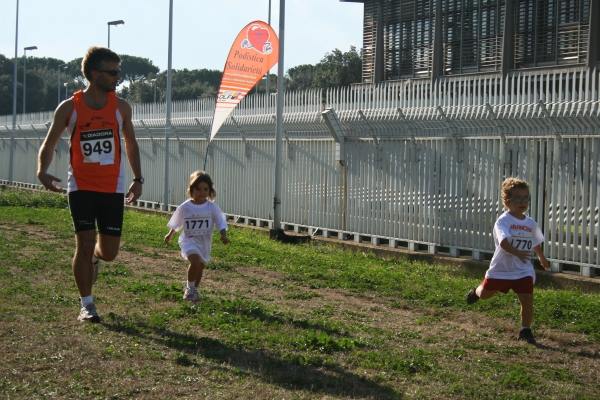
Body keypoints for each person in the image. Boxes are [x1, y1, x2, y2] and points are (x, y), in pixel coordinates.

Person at [37, 46, 143, 323]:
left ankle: (96, 258)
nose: (117, 77)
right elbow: (49, 144)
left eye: (118, 71)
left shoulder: (121, 107)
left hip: (112, 188)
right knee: (84, 243)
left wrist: (138, 178)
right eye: (112, 72)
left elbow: (130, 143)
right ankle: (87, 305)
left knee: (108, 253)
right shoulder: (70, 107)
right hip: (80, 187)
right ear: (95, 74)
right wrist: (42, 171)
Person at [466, 178, 549, 344]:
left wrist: (541, 257)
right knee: (486, 295)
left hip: (523, 270)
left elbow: (536, 242)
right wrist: (517, 253)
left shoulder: (531, 223)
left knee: (527, 299)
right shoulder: (503, 221)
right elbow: (504, 243)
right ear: (506, 202)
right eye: (517, 198)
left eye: (525, 198)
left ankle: (525, 330)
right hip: (501, 269)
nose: (522, 202)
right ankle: (477, 291)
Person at [164, 171, 230, 303]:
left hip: (204, 242)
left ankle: (194, 290)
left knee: (199, 267)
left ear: (210, 191)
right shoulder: (185, 207)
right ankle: (189, 289)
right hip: (189, 239)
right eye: (198, 189)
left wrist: (223, 235)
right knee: (194, 261)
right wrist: (170, 234)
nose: (202, 192)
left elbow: (220, 222)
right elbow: (177, 222)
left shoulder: (212, 208)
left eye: (206, 189)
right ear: (191, 190)